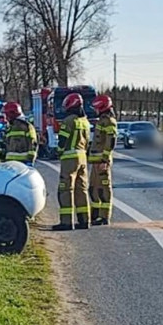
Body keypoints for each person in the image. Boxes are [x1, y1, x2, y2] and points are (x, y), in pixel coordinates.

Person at [53, 92, 91, 231]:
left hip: (69, 158)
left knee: (66, 189)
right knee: (81, 189)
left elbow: (62, 141)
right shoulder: (85, 122)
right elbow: (87, 142)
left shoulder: (69, 121)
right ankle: (84, 220)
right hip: (82, 157)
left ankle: (67, 222)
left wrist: (58, 151)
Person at [88, 95, 118, 226]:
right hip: (96, 161)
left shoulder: (109, 121)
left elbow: (110, 142)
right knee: (93, 189)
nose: (95, 110)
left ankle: (105, 216)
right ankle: (95, 215)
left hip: (101, 162)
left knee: (104, 189)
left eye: (96, 108)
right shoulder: (101, 121)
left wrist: (104, 160)